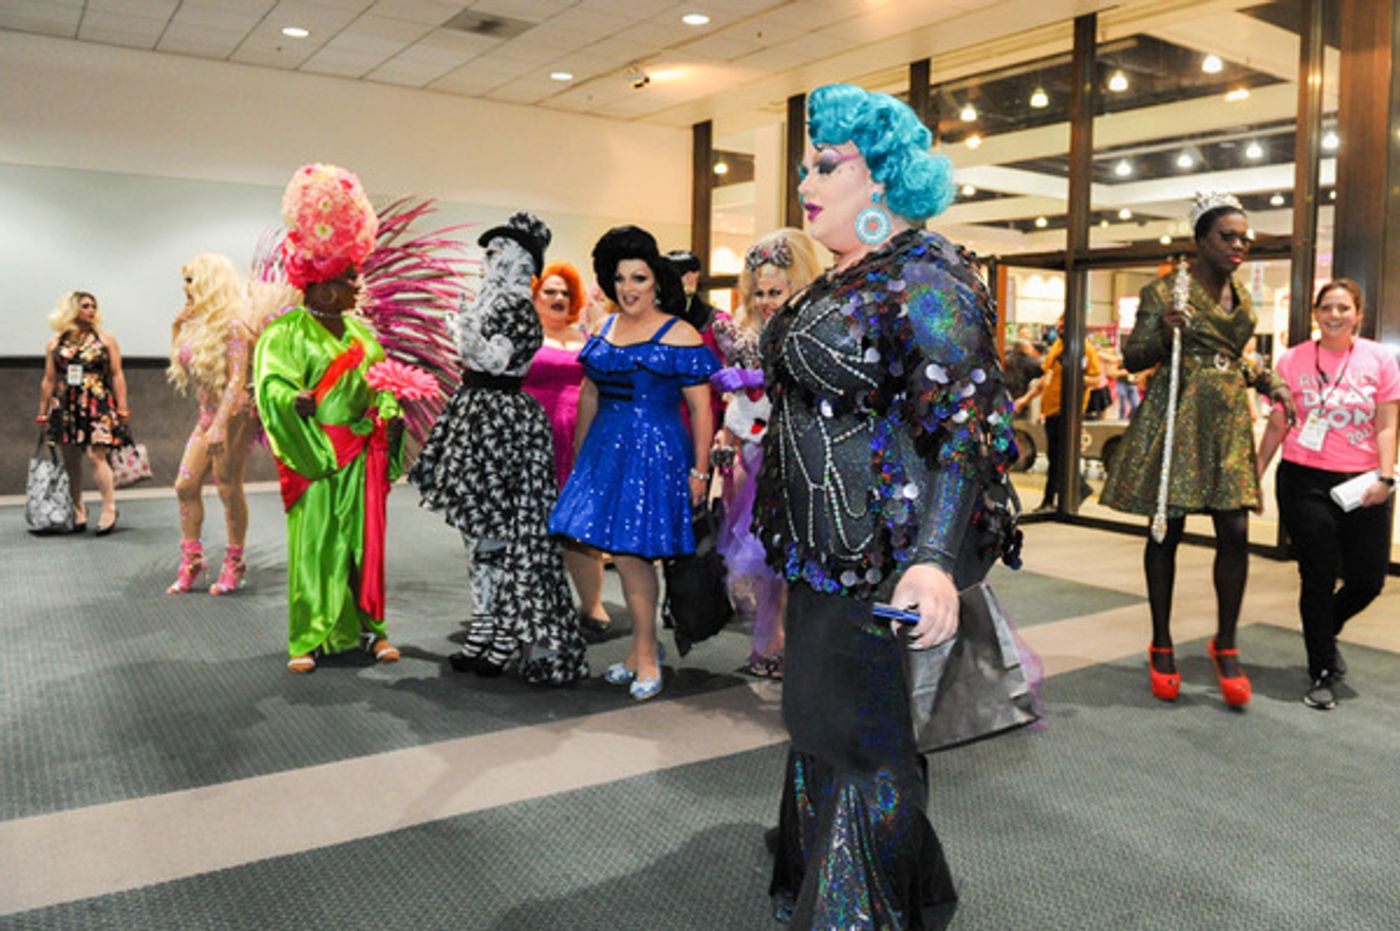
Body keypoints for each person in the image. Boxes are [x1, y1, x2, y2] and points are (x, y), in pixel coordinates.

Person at [755, 84, 1020, 928]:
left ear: (881, 177)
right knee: (819, 720)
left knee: (864, 738)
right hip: (819, 548)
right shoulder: (844, 271)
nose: (806, 180)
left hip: (882, 552)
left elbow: (967, 429)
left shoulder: (928, 274)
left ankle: (859, 911)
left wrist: (934, 560)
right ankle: (864, 882)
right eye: (806, 165)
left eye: (826, 165)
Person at [1100, 192, 1295, 706]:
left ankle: (1226, 643)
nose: (1238, 246)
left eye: (1244, 238)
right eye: (1227, 237)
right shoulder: (1165, 291)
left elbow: (1233, 355)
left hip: (1227, 420)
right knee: (1167, 530)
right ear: (1201, 240)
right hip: (1179, 416)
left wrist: (1269, 381)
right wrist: (1164, 334)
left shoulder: (1243, 295)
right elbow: (1134, 357)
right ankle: (1161, 642)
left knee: (1235, 530)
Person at [410, 214, 589, 685]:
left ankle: (504, 634)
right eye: (492, 253)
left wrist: (464, 330)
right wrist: (465, 327)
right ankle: (484, 628)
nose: (493, 262)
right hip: (477, 415)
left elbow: (495, 359)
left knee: (499, 537)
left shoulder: (517, 309)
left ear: (524, 263)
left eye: (504, 254)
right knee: (477, 535)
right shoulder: (489, 302)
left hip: (500, 424)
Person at [550, 226, 718, 701]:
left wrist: (700, 470)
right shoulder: (603, 328)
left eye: (639, 278)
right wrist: (580, 457)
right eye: (620, 278)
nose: (628, 288)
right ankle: (639, 651)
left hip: (655, 452)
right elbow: (590, 393)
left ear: (656, 281)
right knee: (622, 554)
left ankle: (645, 653)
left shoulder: (680, 333)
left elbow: (701, 409)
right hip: (606, 450)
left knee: (633, 555)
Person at [254, 163, 406, 674]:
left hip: (363, 458)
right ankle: (308, 635)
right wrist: (291, 402)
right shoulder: (285, 334)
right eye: (349, 279)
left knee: (366, 547)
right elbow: (271, 387)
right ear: (320, 286)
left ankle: (371, 629)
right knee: (316, 544)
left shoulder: (364, 337)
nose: (357, 287)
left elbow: (384, 387)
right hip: (316, 455)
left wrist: (389, 416)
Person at [1256, 279, 1399, 710]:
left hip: (1363, 483)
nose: (1334, 315)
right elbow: (1279, 422)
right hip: (1304, 480)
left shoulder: (1380, 358)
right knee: (1316, 575)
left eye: (1343, 308)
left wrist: (1386, 477)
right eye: (1327, 308)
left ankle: (1322, 626)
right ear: (1316, 314)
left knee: (1368, 580)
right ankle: (1321, 669)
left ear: (1358, 315)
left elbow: (1387, 423)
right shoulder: (1292, 359)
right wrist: (1254, 473)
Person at [710, 228, 821, 678]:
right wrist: (727, 437)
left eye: (775, 292)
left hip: (803, 460)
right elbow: (741, 406)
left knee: (799, 562)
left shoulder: (811, 332)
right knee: (768, 563)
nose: (765, 302)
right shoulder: (750, 335)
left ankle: (800, 650)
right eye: (759, 293)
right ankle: (772, 645)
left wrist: (759, 381)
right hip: (757, 459)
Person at [522, 261, 610, 636]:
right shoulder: (523, 336)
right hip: (533, 439)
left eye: (565, 292)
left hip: (582, 438)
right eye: (550, 291)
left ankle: (592, 604)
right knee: (535, 523)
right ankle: (535, 604)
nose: (559, 297)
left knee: (582, 525)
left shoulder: (586, 335)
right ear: (535, 297)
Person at [165, 253, 259, 594]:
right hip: (207, 416)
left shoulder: (233, 325)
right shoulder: (198, 324)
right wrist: (177, 329)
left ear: (209, 282)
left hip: (234, 415)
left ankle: (235, 561)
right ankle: (192, 558)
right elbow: (188, 370)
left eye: (191, 280)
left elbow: (237, 380)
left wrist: (220, 424)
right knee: (185, 486)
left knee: (227, 487)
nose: (185, 287)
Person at [35, 291, 129, 535]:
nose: (91, 310)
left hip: (97, 401)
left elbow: (117, 374)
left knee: (97, 455)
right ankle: (78, 508)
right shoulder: (56, 343)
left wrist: (122, 406)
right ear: (71, 309)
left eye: (93, 306)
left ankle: (109, 508)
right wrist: (43, 411)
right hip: (66, 403)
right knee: (71, 459)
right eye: (85, 306)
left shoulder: (106, 340)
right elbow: (49, 378)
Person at [1013, 314, 1102, 511]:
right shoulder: (1057, 346)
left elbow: (1097, 380)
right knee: (1055, 456)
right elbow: (1046, 378)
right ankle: (1075, 490)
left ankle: (1051, 499)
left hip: (1069, 409)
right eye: (1059, 325)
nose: (1060, 329)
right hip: (1051, 409)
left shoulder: (1085, 349)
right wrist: (1026, 399)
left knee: (1058, 456)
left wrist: (1075, 375)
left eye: (1064, 325)